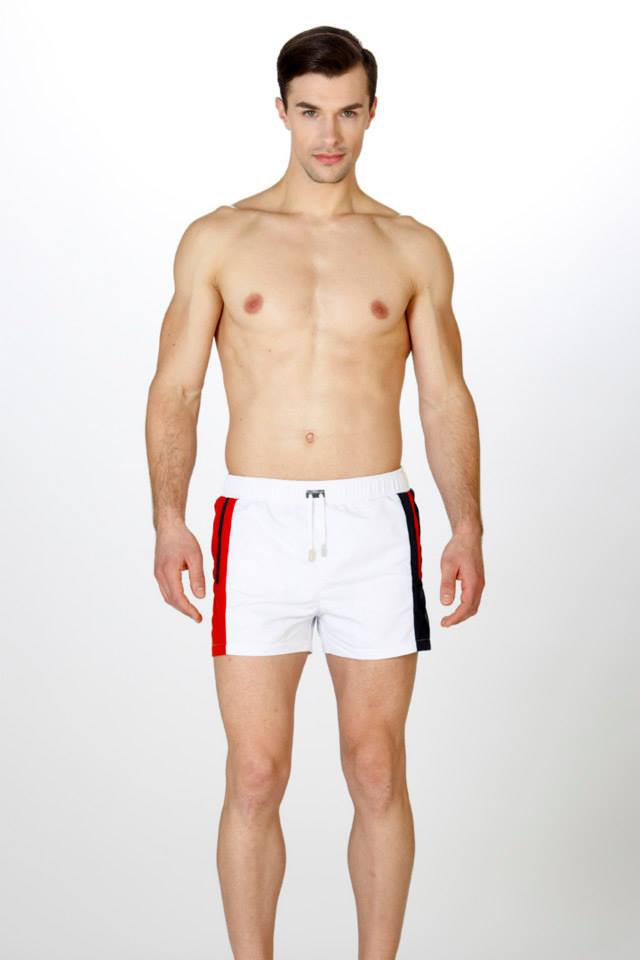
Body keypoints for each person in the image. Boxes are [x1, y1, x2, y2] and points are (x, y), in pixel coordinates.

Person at [145, 23, 485, 960]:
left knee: (375, 768)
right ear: (281, 111)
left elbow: (444, 396)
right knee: (256, 773)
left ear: (373, 112)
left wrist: (466, 526)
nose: (328, 135)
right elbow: (176, 390)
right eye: (309, 112)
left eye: (346, 113)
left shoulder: (412, 247)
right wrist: (169, 518)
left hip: (375, 521)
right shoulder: (220, 238)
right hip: (254, 522)